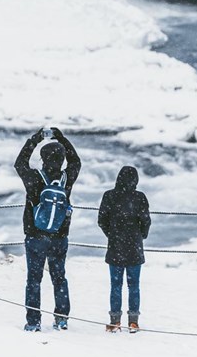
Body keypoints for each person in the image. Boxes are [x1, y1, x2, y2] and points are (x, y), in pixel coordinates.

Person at [14, 127, 81, 332]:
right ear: (61, 160)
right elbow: (76, 161)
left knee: (34, 279)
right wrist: (61, 138)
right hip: (59, 236)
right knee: (59, 277)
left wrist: (35, 139)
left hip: (35, 236)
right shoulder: (66, 179)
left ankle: (33, 321)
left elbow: (20, 163)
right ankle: (61, 318)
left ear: (43, 158)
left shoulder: (34, 178)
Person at [97, 165, 151, 333]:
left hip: (115, 246)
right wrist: (141, 235)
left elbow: (101, 220)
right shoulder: (139, 197)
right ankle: (133, 322)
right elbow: (146, 221)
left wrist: (112, 234)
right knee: (134, 285)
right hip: (134, 246)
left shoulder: (109, 196)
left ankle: (115, 321)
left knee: (116, 285)